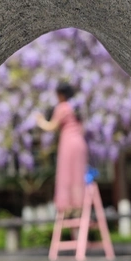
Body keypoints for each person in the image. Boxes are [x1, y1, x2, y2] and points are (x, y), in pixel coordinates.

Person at [35, 83, 88, 214]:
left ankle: (67, 206)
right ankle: (79, 205)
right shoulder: (76, 107)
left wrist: (40, 121)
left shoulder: (62, 107)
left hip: (68, 143)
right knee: (78, 173)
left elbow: (52, 127)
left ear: (61, 95)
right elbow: (83, 129)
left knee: (66, 172)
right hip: (80, 143)